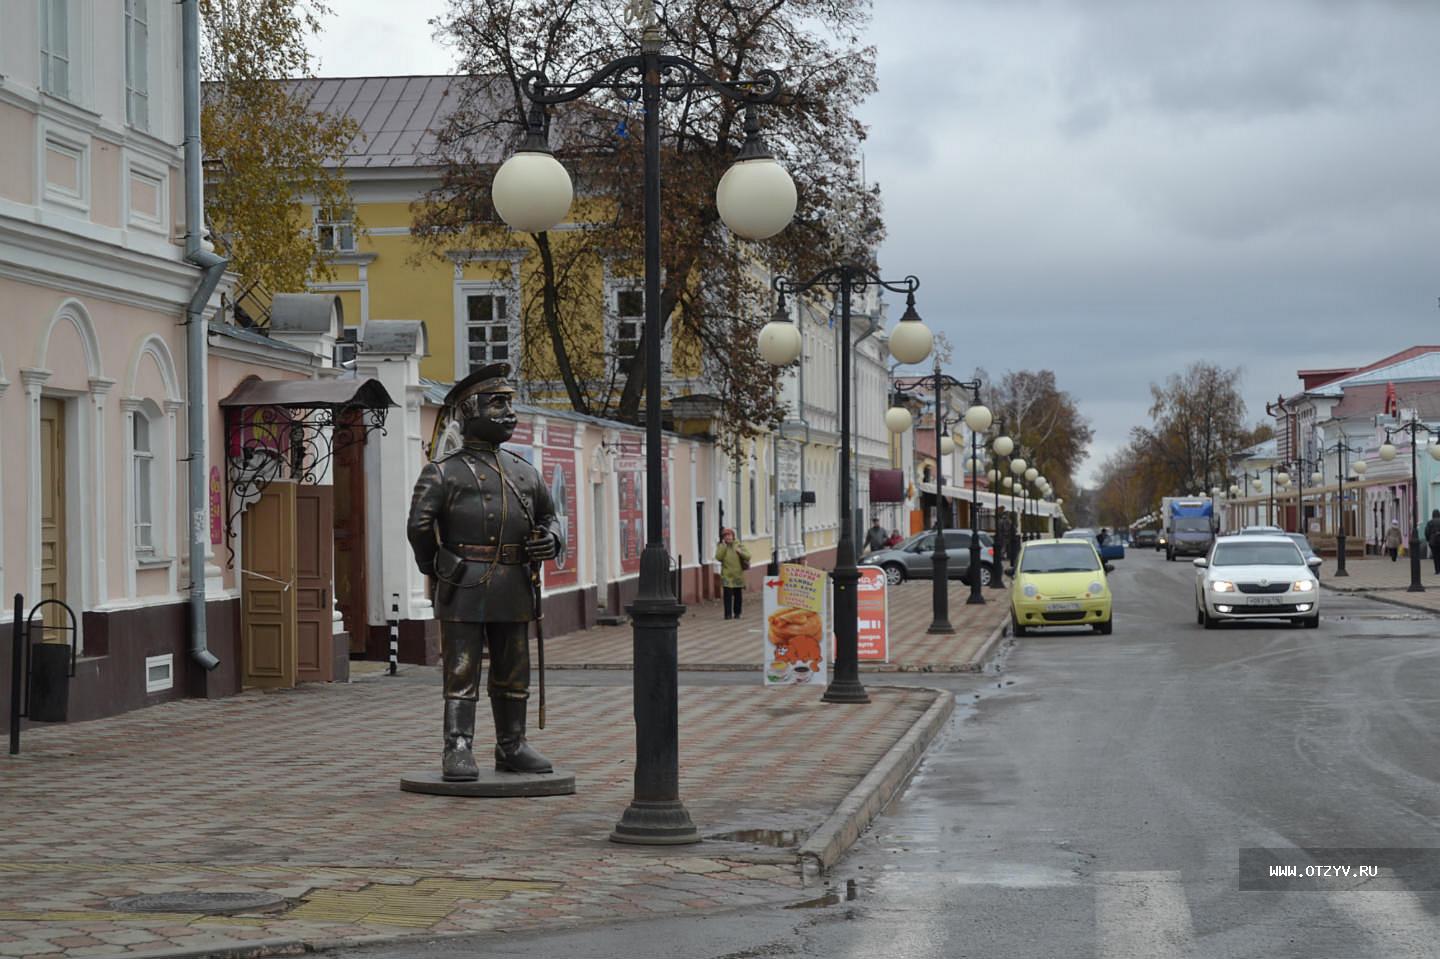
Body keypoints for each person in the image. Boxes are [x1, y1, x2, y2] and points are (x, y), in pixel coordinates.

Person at [407, 363, 566, 782]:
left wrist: (551, 540)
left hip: (515, 585)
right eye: (497, 404)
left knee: (514, 669)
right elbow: (419, 527)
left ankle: (512, 744)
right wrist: (439, 569)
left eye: (510, 403)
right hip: (465, 585)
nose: (509, 413)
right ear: (468, 411)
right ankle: (457, 746)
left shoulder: (524, 471)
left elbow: (551, 517)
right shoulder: (443, 473)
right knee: (461, 671)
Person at [715, 528, 751, 619]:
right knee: (727, 595)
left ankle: (737, 613)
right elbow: (718, 557)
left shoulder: (739, 545)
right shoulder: (721, 546)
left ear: (733, 536)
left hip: (737, 575)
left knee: (738, 595)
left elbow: (748, 556)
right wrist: (724, 547)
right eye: (725, 536)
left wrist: (741, 552)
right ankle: (727, 614)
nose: (728, 537)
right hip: (727, 575)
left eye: (729, 535)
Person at [1427, 509, 1440, 574]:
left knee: (1435, 556)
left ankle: (1437, 570)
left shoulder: (1430, 522)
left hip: (1433, 541)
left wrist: (1428, 539)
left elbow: (1427, 532)